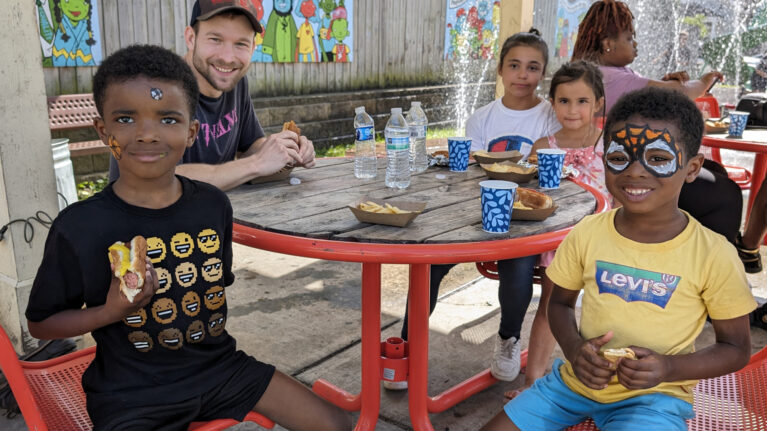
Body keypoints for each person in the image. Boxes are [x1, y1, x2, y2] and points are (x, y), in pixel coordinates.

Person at [26, 45, 351, 431]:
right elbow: (41, 325)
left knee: (335, 424)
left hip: (219, 369)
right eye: (126, 118)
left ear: (191, 131)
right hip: (131, 394)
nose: (147, 134)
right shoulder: (78, 226)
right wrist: (108, 312)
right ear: (103, 130)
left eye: (168, 119)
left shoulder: (213, 206)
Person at [480, 86, 756, 431]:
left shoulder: (714, 254)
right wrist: (575, 349)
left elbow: (735, 348)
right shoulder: (587, 232)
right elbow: (559, 305)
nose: (635, 171)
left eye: (658, 158)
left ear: (692, 167)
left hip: (655, 397)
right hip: (574, 385)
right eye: (619, 156)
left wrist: (669, 368)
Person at [386, 29, 561, 391]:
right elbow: (470, 174)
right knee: (429, 261)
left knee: (518, 262)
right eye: (514, 65)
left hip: (525, 219)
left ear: (543, 73)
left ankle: (509, 338)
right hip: (479, 211)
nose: (522, 75)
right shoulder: (482, 118)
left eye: (532, 67)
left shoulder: (550, 116)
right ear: (500, 69)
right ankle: (406, 346)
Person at [570, 0, 743, 249]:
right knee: (727, 194)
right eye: (630, 37)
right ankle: (712, 262)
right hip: (629, 173)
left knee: (714, 170)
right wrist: (705, 80)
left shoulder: (590, 73)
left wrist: (664, 84)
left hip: (622, 165)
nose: (636, 44)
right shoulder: (612, 76)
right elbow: (683, 93)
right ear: (608, 44)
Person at [109, 0, 315, 191]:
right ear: (191, 38)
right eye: (215, 39)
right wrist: (256, 164)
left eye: (241, 44)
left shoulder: (236, 82)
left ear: (253, 47)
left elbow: (250, 147)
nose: (228, 58)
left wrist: (285, 151)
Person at [503, 60, 607, 400]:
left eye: (582, 101)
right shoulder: (543, 145)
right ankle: (533, 381)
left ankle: (604, 378)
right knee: (553, 305)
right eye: (564, 101)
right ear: (553, 103)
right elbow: (531, 196)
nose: (572, 109)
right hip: (559, 241)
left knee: (608, 309)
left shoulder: (608, 144)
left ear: (598, 103)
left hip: (604, 238)